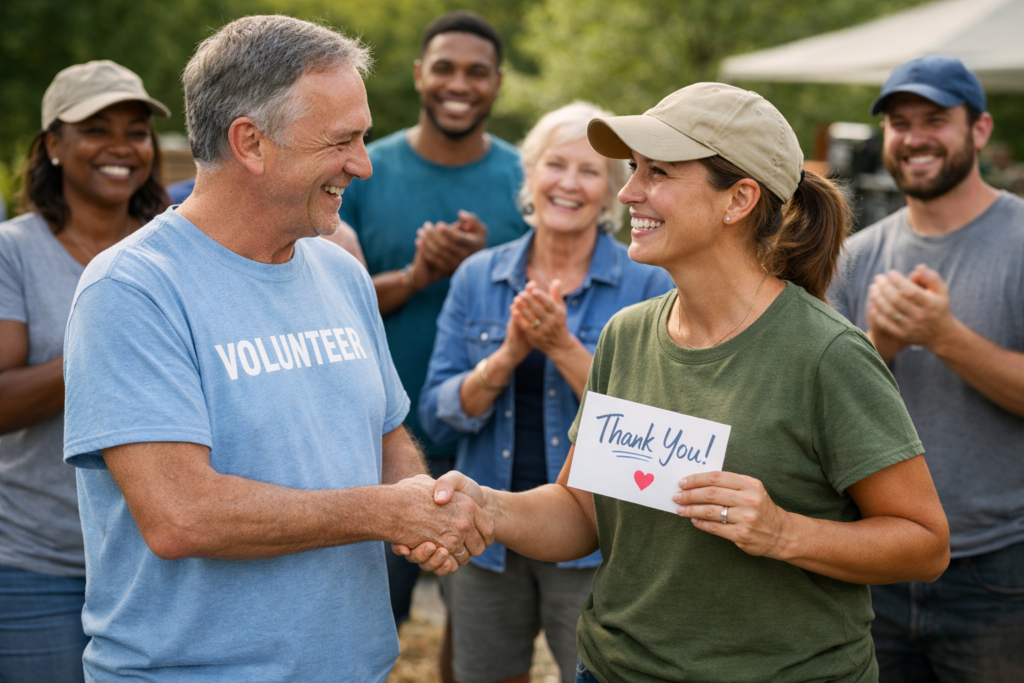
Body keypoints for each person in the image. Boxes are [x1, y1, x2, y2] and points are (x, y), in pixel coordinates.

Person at [399, 83, 951, 683]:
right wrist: (489, 508)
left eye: (657, 172)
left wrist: (785, 531)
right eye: (632, 169)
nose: (627, 192)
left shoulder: (828, 354)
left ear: (738, 199)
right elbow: (581, 510)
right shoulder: (626, 334)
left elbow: (924, 544)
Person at [61, 16, 491, 682]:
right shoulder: (132, 288)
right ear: (251, 143)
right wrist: (382, 511)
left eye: (364, 137)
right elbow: (181, 514)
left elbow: (384, 432)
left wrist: (420, 501)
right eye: (342, 140)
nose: (363, 163)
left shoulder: (340, 270)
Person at [419, 101, 673, 683]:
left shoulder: (648, 282)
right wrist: (507, 355)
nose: (569, 183)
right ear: (529, 176)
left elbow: (654, 428)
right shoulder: (477, 276)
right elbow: (436, 416)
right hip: (487, 534)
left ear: (613, 192)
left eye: (591, 172)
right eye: (555, 165)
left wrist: (561, 346)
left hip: (596, 542)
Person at [830, 56, 1024, 683]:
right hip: (877, 562)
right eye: (898, 122)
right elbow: (817, 414)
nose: (914, 137)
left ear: (980, 129)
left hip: (1000, 569)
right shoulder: (853, 257)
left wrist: (943, 336)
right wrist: (876, 347)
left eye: (935, 119)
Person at [335, 10, 528, 630]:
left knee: (474, 645)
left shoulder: (527, 177)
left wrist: (483, 273)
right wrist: (415, 276)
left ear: (498, 83)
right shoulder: (363, 169)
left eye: (477, 72)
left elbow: (553, 297)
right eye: (444, 68)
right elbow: (326, 297)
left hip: (488, 451)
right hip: (373, 452)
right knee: (367, 626)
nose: (459, 84)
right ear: (420, 75)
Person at [0, 59, 170, 682]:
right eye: (97, 129)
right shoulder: (12, 252)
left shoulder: (172, 251)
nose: (122, 147)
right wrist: (104, 340)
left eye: (137, 129)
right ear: (52, 144)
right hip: (37, 564)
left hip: (154, 561)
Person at [169, 174, 367, 266]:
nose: (364, 169)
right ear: (251, 144)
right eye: (338, 142)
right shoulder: (151, 279)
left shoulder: (344, 262)